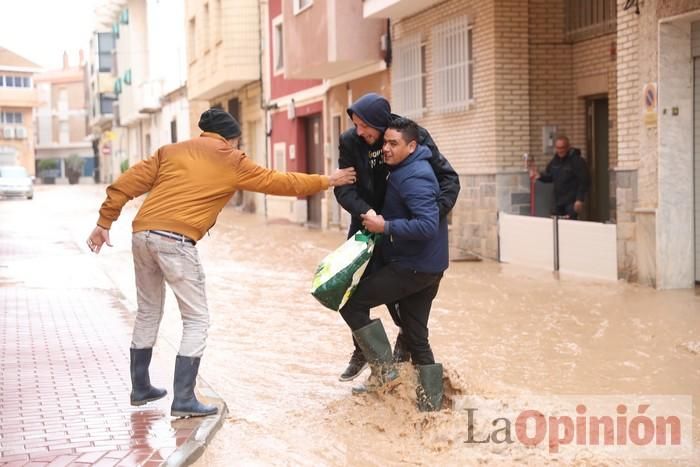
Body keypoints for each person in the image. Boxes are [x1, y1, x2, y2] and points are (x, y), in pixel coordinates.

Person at [86, 109, 356, 418]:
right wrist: (327, 181)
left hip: (142, 234)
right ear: (231, 138)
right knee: (197, 320)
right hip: (175, 240)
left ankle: (141, 387)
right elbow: (279, 182)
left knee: (148, 311)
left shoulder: (170, 152)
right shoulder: (231, 158)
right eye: (237, 140)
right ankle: (184, 398)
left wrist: (104, 222)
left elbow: (126, 183)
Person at [334, 93, 460, 382]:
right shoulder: (351, 141)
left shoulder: (409, 136)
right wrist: (369, 214)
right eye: (355, 124)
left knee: (397, 304)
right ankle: (366, 352)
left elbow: (449, 180)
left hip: (404, 233)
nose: (359, 131)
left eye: (365, 126)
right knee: (352, 290)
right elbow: (343, 188)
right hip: (368, 225)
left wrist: (423, 219)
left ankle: (392, 365)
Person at [529, 135, 589, 220]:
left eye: (562, 148)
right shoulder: (555, 161)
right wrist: (540, 176)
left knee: (570, 226)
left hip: (572, 202)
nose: (560, 151)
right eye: (558, 148)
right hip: (557, 201)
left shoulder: (577, 161)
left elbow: (584, 181)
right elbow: (550, 176)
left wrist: (579, 199)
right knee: (555, 225)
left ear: (568, 147)